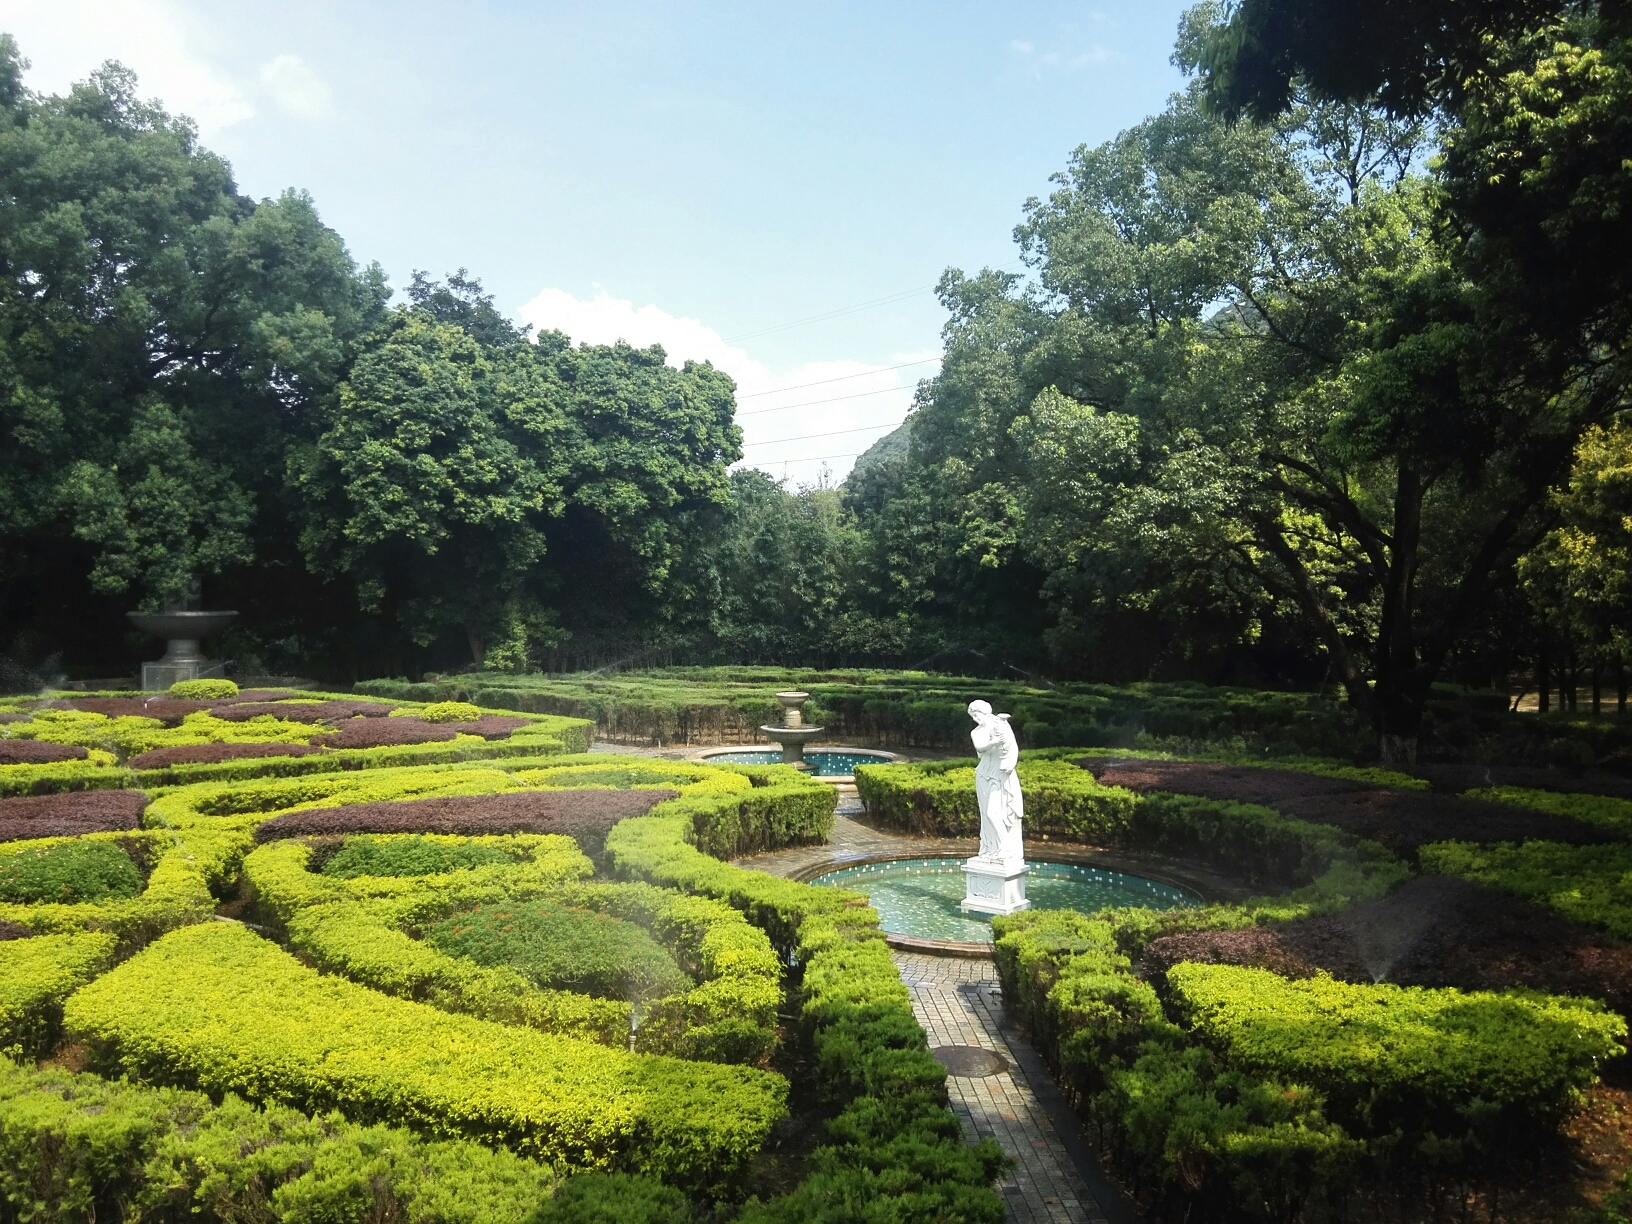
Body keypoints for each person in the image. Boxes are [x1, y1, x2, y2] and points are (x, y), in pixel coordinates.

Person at [968, 699, 1023, 864]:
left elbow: (1012, 747)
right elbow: (980, 747)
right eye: (972, 715)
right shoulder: (976, 732)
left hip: (999, 772)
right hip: (984, 773)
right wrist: (994, 742)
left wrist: (1010, 763)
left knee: (994, 812)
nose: (974, 718)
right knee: (986, 814)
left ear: (984, 712)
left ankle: (1005, 848)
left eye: (976, 714)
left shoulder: (1000, 725)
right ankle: (991, 848)